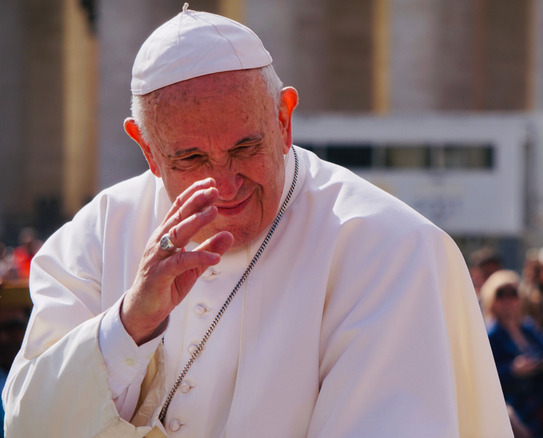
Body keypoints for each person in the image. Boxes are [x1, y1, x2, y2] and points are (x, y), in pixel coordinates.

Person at [2, 6, 511, 437]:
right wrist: (129, 326)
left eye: (246, 147)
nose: (224, 186)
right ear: (147, 150)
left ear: (284, 119)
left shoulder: (386, 248)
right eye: (191, 159)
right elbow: (29, 422)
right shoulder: (94, 236)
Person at [482, 269, 543, 437]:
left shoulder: (528, 328)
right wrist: (512, 370)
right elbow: (482, 377)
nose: (508, 300)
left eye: (513, 293)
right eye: (501, 294)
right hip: (515, 409)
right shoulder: (489, 334)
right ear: (492, 300)